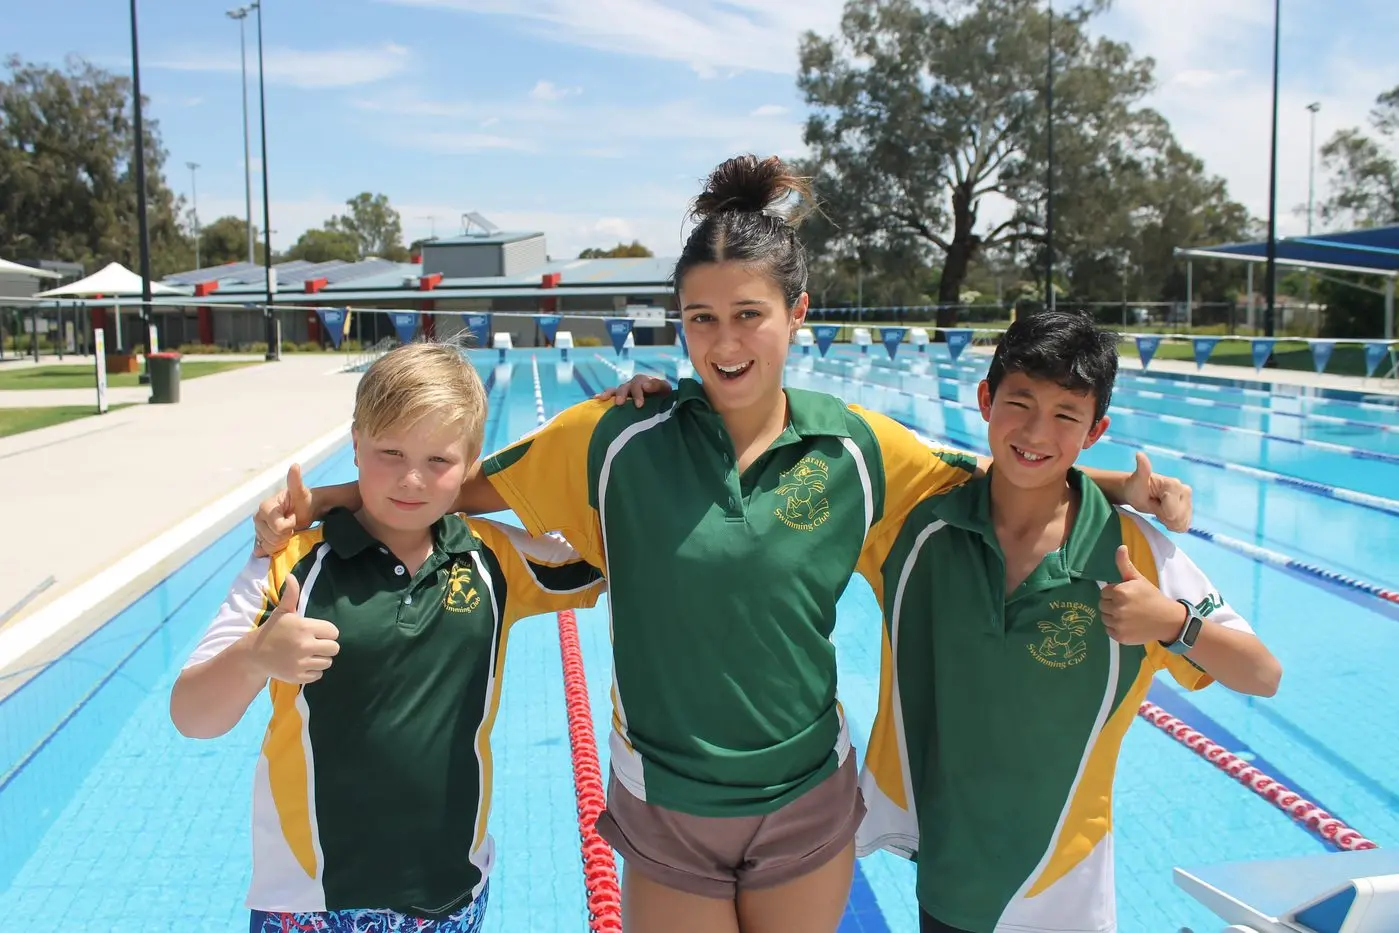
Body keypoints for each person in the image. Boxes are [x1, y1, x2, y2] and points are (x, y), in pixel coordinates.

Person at [250, 155, 1193, 933]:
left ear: (797, 314)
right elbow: (446, 484)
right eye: (701, 318)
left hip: (806, 796)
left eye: (749, 314)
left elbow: (991, 471)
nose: (725, 340)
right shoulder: (614, 438)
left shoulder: (856, 448)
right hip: (666, 799)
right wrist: (327, 495)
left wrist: (1112, 482)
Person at [853, 310, 1281, 933]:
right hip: (948, 873)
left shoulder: (1129, 553)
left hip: (1063, 892)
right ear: (984, 400)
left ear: (1094, 429)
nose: (1036, 430)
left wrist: (1173, 623)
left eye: (1065, 416)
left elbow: (1263, 674)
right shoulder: (919, 520)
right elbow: (797, 428)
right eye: (1019, 404)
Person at [170, 342, 606, 933]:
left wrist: (618, 418)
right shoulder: (290, 561)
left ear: (471, 463)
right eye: (389, 452)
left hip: (448, 896)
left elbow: (610, 550)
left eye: (438, 461)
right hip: (307, 904)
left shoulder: (492, 557)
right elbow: (193, 715)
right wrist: (256, 655)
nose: (410, 478)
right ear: (355, 442)